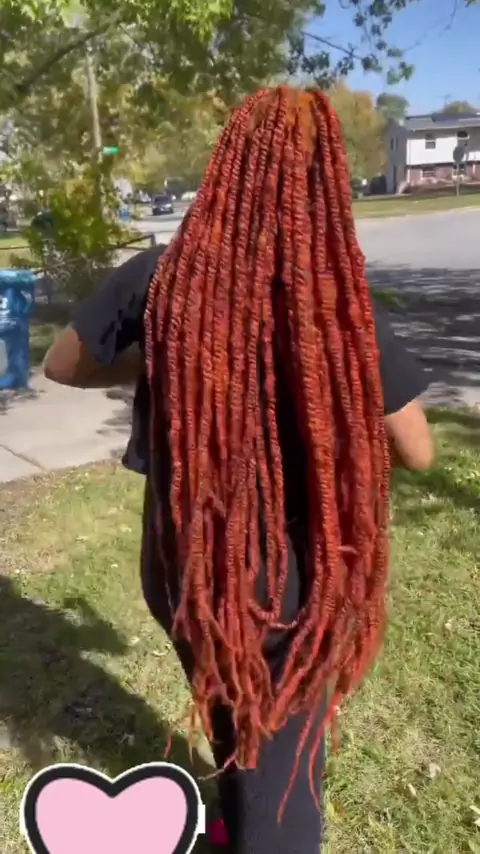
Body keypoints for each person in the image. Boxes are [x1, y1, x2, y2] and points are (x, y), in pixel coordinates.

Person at [44, 86, 433, 853]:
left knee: (230, 697)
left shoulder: (159, 278)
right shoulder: (336, 305)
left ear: (227, 168)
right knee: (283, 760)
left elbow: (63, 363)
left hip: (182, 567)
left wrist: (171, 361)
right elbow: (416, 449)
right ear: (322, 184)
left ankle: (242, 824)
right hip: (286, 583)